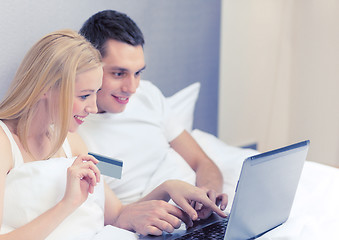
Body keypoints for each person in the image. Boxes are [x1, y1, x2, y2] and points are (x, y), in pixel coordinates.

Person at [0, 29, 226, 239]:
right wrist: (67, 204)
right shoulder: (4, 143)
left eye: (95, 94)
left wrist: (168, 188)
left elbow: (118, 214)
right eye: (83, 96)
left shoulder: (71, 142)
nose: (93, 108)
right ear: (45, 89)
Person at [78, 9, 228, 221]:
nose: (132, 88)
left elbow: (201, 161)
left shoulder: (148, 95)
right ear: (88, 65)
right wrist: (166, 192)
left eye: (138, 73)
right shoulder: (74, 131)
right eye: (119, 73)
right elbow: (111, 215)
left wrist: (206, 194)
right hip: (146, 222)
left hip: (190, 216)